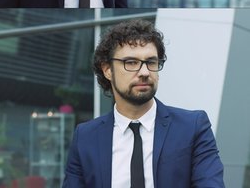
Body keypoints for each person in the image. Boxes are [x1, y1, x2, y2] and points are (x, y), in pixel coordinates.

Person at [63, 20, 224, 187]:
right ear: (108, 70)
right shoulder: (85, 137)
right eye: (131, 62)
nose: (145, 72)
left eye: (151, 62)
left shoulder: (193, 127)